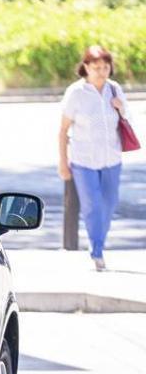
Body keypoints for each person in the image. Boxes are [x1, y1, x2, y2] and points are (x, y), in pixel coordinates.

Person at [58, 45, 131, 271]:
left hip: (112, 158)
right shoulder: (76, 93)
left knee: (108, 204)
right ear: (86, 67)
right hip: (83, 161)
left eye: (105, 67)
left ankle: (98, 242)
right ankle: (97, 250)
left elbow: (125, 117)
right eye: (96, 67)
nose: (101, 72)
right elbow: (63, 130)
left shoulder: (114, 89)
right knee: (92, 206)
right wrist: (63, 161)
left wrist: (120, 107)